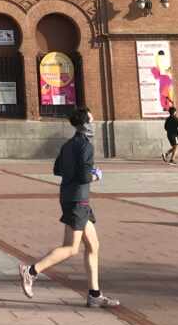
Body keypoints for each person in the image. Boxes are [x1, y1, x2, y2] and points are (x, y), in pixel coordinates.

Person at [18, 107, 119, 309]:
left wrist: (77, 170)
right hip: (78, 201)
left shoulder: (68, 144)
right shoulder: (86, 146)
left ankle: (94, 294)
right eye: (92, 119)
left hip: (71, 198)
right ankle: (31, 271)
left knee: (93, 246)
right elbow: (84, 176)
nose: (94, 122)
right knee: (71, 248)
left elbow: (57, 169)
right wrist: (95, 174)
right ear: (85, 124)